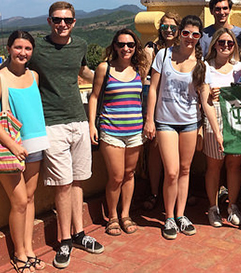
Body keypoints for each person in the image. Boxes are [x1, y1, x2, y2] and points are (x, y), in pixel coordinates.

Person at [0, 2, 104, 269]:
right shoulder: (37, 49)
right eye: (57, 19)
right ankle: (61, 241)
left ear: (75, 22)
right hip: (49, 127)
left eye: (68, 20)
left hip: (71, 123)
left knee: (76, 183)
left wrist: (117, 80)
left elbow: (83, 72)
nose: (63, 24)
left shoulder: (79, 46)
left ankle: (77, 234)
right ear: (50, 21)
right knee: (59, 187)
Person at [143, 15, 223, 240]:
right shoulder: (164, 55)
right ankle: (168, 217)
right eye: (186, 32)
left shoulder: (200, 64)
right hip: (165, 121)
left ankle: (180, 215)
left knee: (185, 170)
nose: (190, 38)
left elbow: (205, 100)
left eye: (195, 34)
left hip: (189, 122)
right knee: (171, 171)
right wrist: (150, 119)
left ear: (199, 37)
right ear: (179, 33)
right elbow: (153, 89)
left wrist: (217, 132)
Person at [0, 31, 49, 273]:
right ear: (9, 49)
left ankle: (29, 249)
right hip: (10, 147)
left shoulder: (34, 76)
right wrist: (13, 145)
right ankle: (19, 254)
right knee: (19, 201)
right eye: (18, 47)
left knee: (30, 199)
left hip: (35, 144)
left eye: (28, 48)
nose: (23, 52)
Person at [88, 29, 149, 236]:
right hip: (111, 129)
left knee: (129, 174)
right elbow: (94, 97)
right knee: (115, 176)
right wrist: (91, 125)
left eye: (130, 45)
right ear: (114, 46)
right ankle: (112, 216)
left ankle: (125, 214)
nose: (126, 48)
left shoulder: (139, 69)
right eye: (121, 44)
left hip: (135, 131)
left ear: (135, 47)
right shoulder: (105, 68)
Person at [202, 28, 241, 228]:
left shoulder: (239, 68)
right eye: (222, 42)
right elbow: (205, 101)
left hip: (237, 120)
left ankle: (233, 206)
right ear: (214, 44)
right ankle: (213, 208)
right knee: (214, 166)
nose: (226, 46)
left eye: (230, 43)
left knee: (234, 166)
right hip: (215, 119)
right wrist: (216, 131)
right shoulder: (205, 67)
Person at [142, 12, 181, 211]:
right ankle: (154, 191)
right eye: (165, 27)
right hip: (156, 105)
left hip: (177, 107)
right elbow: (144, 78)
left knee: (176, 155)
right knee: (156, 150)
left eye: (173, 27)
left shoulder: (184, 49)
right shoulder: (152, 49)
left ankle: (177, 192)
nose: (168, 31)